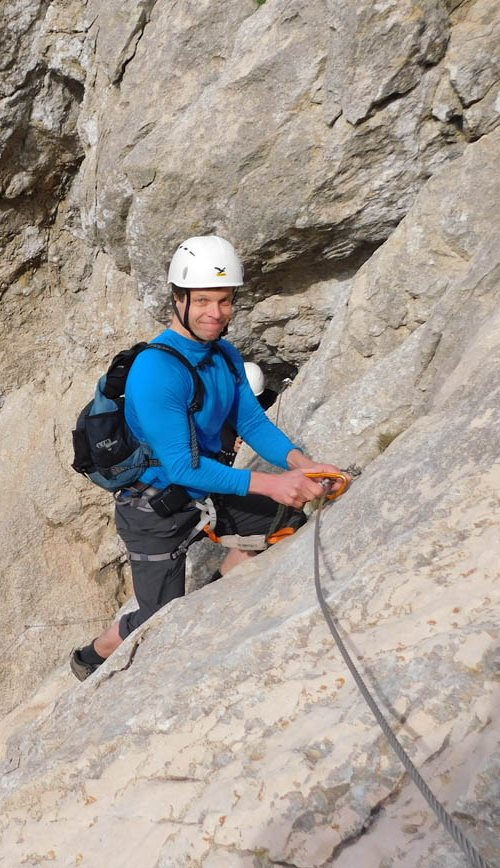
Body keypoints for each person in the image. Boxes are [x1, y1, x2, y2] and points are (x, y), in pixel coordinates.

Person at [70, 235, 345, 681]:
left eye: (224, 300)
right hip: (153, 510)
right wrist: (274, 483)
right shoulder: (156, 370)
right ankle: (95, 653)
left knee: (284, 520)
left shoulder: (224, 356)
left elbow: (252, 424)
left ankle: (217, 595)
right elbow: (181, 466)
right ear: (178, 299)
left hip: (208, 494)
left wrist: (300, 462)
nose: (214, 313)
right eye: (202, 301)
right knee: (160, 622)